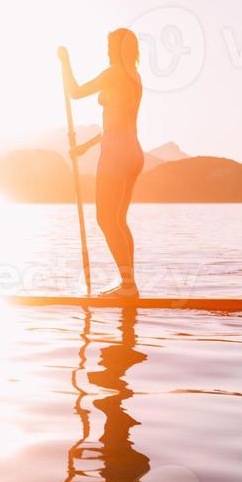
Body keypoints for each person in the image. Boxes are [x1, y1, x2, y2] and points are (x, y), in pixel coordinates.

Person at [59, 29, 144, 297]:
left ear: (119, 47)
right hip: (133, 153)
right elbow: (118, 123)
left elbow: (75, 92)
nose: (107, 50)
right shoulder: (134, 76)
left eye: (109, 45)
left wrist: (65, 62)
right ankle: (129, 284)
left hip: (116, 156)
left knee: (106, 219)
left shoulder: (113, 73)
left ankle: (128, 286)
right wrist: (85, 146)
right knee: (119, 220)